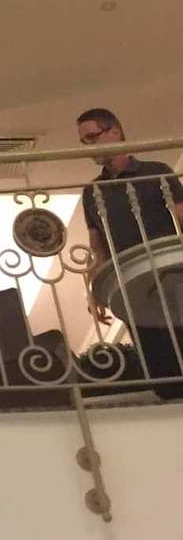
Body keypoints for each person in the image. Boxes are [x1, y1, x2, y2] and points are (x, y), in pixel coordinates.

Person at [77, 107, 183, 401]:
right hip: (131, 285)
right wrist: (93, 291)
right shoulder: (92, 192)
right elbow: (98, 248)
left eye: (92, 137)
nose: (88, 146)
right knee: (156, 359)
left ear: (115, 131)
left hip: (173, 276)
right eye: (84, 141)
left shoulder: (157, 171)